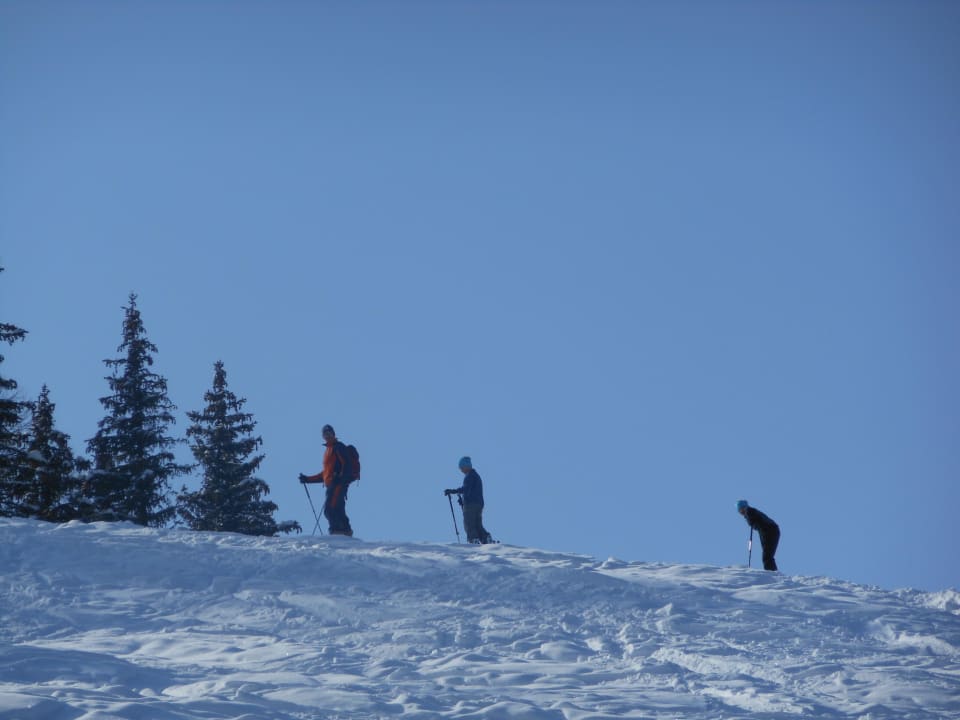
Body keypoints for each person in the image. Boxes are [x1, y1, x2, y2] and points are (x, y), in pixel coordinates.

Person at [299, 424, 354, 536]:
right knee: (338, 508)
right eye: (325, 434)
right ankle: (345, 531)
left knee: (330, 509)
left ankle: (337, 532)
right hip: (332, 485)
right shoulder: (328, 450)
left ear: (334, 434)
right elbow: (325, 474)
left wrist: (340, 479)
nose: (327, 436)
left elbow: (347, 464)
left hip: (338, 484)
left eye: (329, 433)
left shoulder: (338, 447)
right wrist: (307, 479)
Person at [444, 456, 493, 544]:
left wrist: (454, 491)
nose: (461, 470)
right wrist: (463, 500)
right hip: (479, 504)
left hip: (471, 504)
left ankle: (473, 539)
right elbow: (470, 491)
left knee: (469, 523)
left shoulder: (470, 476)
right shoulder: (476, 475)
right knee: (477, 523)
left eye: (461, 468)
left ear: (466, 466)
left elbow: (466, 489)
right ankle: (486, 538)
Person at [737, 499, 780, 571]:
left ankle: (771, 573)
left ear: (744, 507)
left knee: (767, 555)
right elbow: (756, 522)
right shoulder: (750, 512)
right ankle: (772, 571)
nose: (739, 511)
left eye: (740, 509)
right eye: (738, 510)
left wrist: (751, 521)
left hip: (769, 531)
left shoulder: (749, 511)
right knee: (767, 555)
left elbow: (753, 521)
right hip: (767, 532)